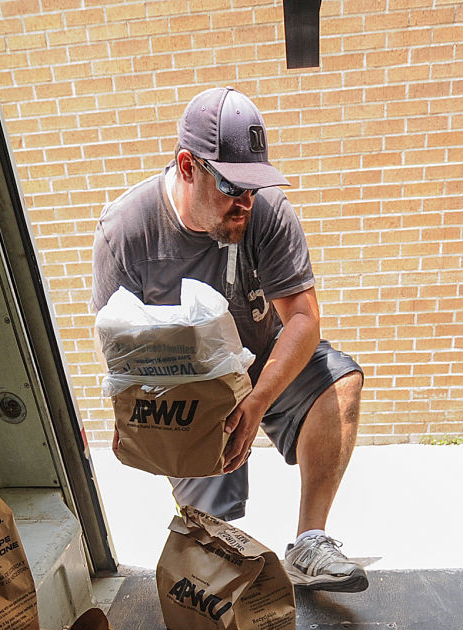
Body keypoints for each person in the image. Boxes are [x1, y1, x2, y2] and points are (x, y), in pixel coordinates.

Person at [91, 86, 369, 593]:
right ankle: (219, 553)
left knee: (340, 380)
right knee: (217, 550)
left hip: (263, 358)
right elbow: (116, 343)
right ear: (187, 166)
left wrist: (258, 399)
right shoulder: (127, 230)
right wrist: (127, 412)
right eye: (231, 186)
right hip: (187, 383)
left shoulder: (267, 211)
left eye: (252, 188)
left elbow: (304, 318)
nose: (244, 203)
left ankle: (310, 542)